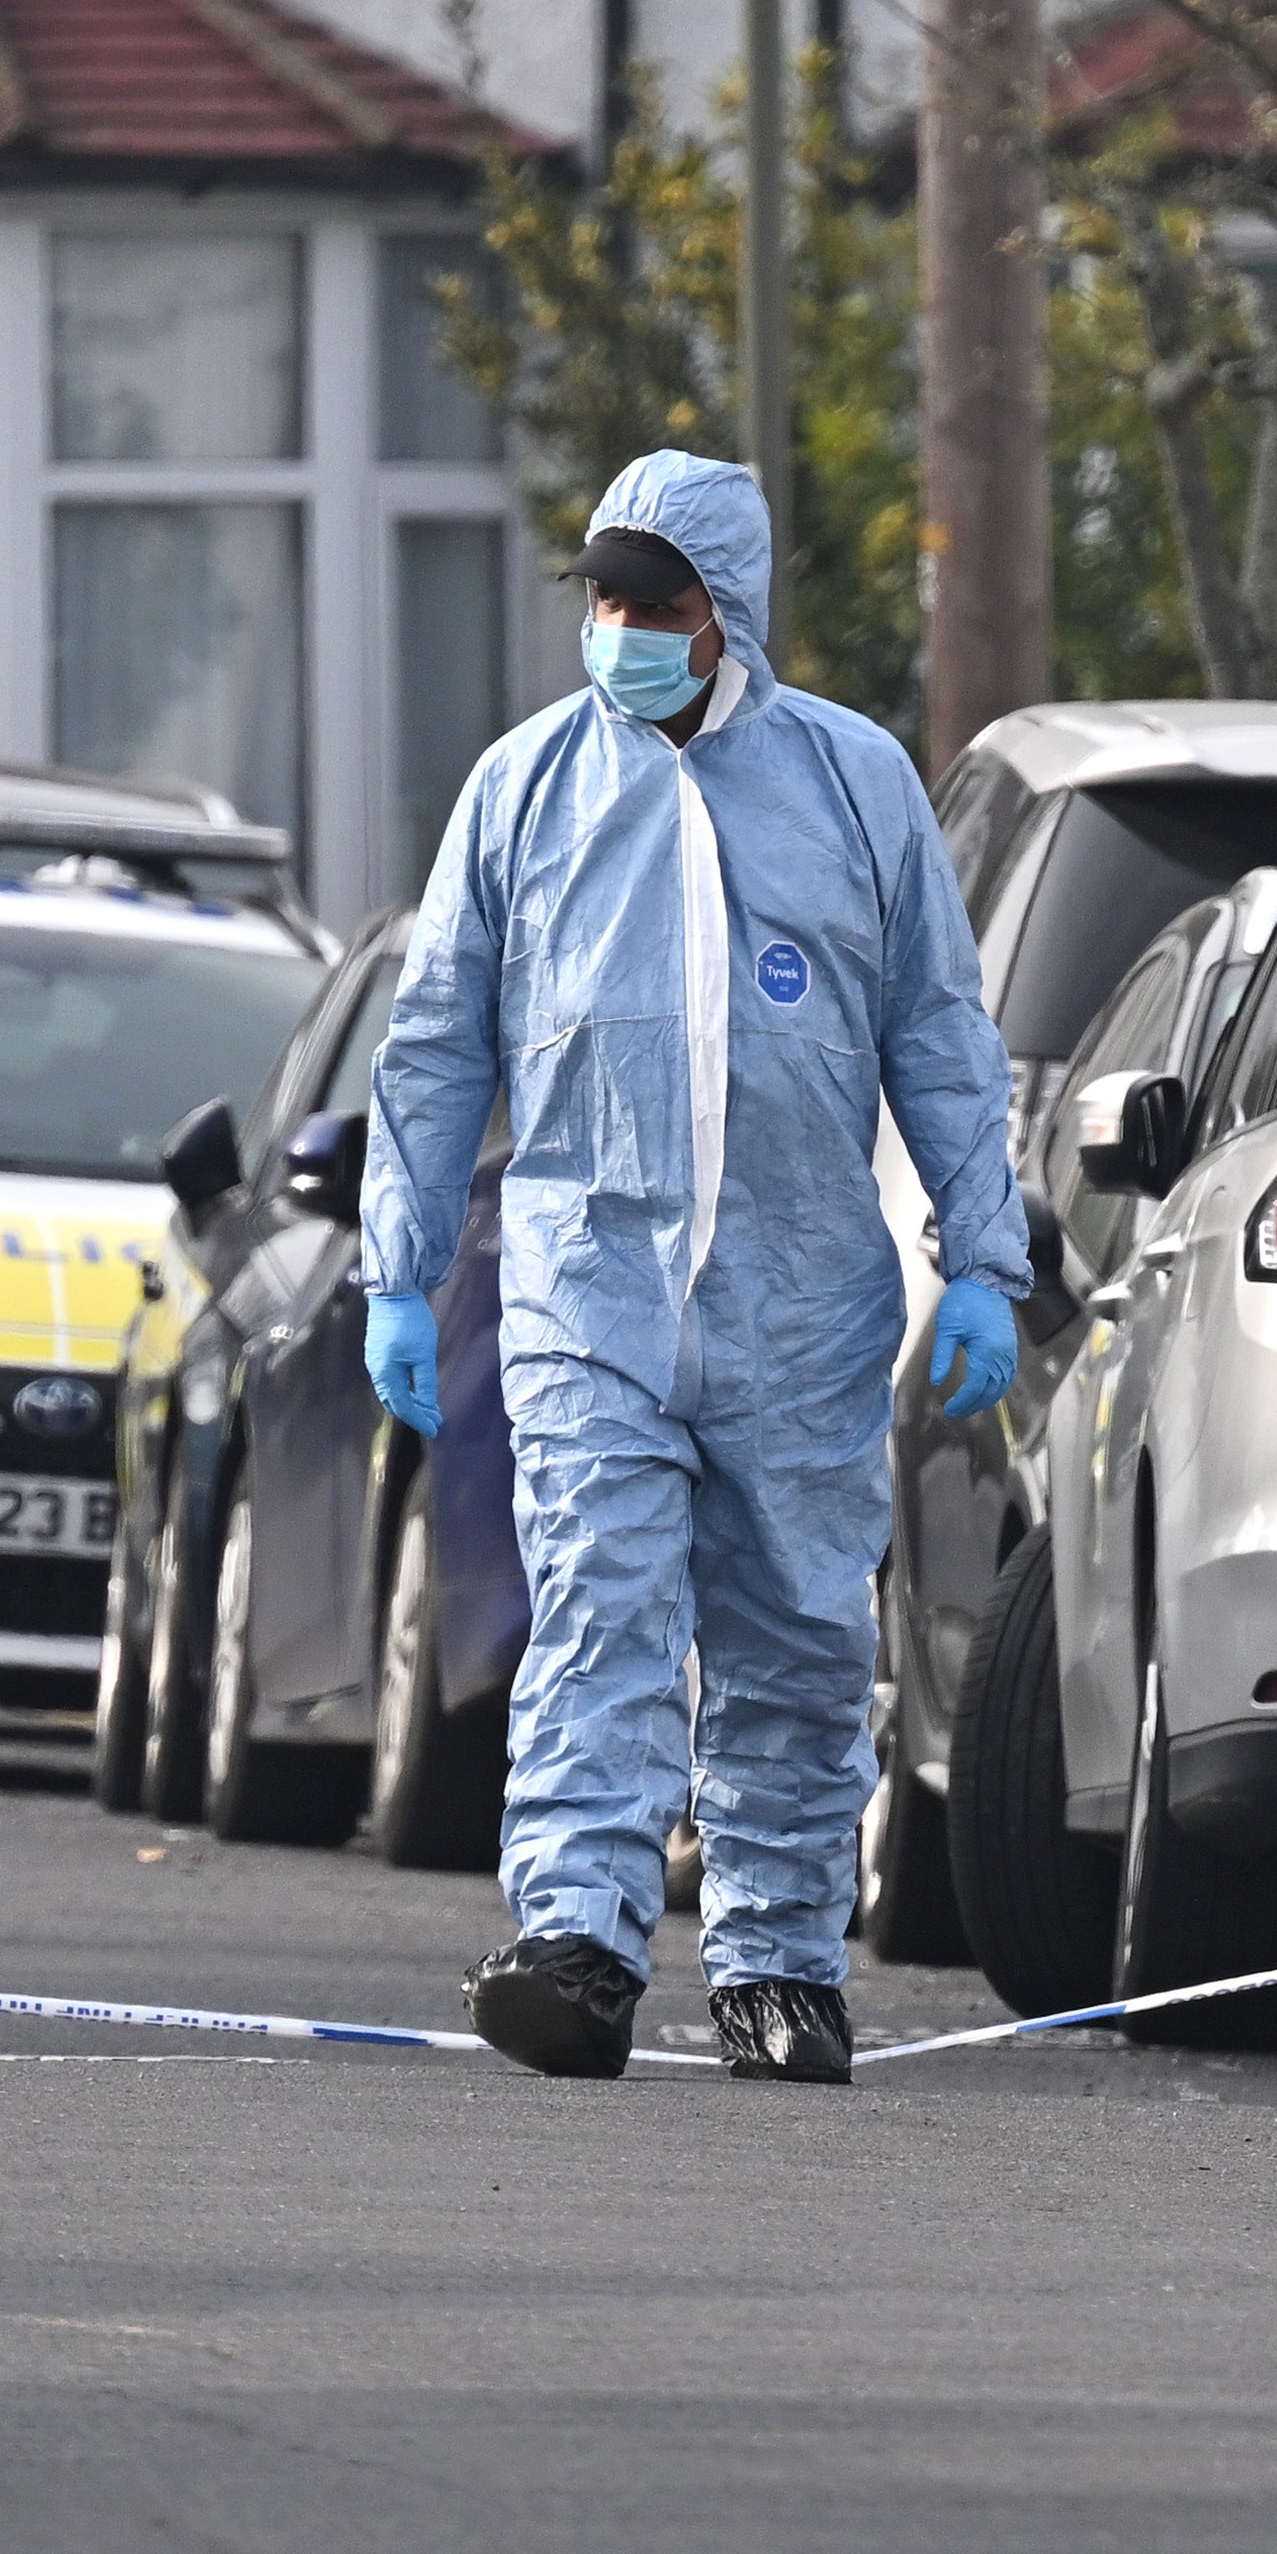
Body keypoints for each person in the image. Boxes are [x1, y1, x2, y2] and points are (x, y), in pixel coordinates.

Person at [360, 452, 1030, 2085]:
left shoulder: (855, 783)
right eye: (605, 601)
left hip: (803, 1303)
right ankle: (580, 1938)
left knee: (800, 1633)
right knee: (602, 1603)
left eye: (656, 607)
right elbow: (439, 1038)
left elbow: (939, 1033)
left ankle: (779, 1962)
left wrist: (986, 1255)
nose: (623, 633)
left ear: (726, 615)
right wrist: (399, 1261)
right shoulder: (526, 789)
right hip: (590, 1279)